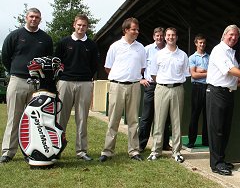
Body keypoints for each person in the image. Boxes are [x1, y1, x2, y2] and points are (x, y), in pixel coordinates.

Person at [206, 25, 240, 176]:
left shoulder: (231, 52)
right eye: (231, 34)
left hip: (228, 93)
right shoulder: (219, 50)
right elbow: (229, 69)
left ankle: (221, 160)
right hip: (216, 92)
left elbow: (229, 75)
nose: (234, 38)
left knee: (224, 129)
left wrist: (238, 82)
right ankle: (216, 164)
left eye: (236, 36)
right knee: (217, 130)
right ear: (224, 35)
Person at [1, 8, 53, 163]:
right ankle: (8, 152)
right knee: (14, 117)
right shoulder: (15, 35)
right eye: (31, 16)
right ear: (26, 17)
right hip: (17, 81)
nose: (34, 19)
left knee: (34, 120)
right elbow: (5, 56)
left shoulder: (46, 39)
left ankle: (30, 151)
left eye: (37, 17)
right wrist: (14, 70)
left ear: (40, 19)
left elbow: (49, 60)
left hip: (37, 85)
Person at [99, 17, 146, 162]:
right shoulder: (115, 46)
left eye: (137, 29)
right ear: (126, 30)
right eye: (133, 29)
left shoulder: (141, 48)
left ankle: (134, 151)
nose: (137, 32)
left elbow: (142, 67)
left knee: (133, 121)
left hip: (134, 86)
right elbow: (108, 67)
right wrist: (120, 76)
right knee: (114, 119)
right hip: (117, 86)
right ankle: (107, 151)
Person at [55, 14, 99, 161]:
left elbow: (94, 65)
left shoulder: (91, 45)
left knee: (82, 118)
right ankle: (56, 149)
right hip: (65, 83)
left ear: (87, 27)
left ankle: (81, 151)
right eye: (79, 25)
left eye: (84, 25)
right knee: (61, 118)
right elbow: (57, 63)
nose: (81, 28)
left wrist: (86, 78)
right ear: (74, 25)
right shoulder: (63, 42)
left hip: (85, 83)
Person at [147, 27, 190, 163]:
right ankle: (156, 151)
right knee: (159, 120)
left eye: (173, 35)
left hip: (177, 89)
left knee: (177, 122)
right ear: (165, 37)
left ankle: (176, 152)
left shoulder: (182, 55)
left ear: (177, 37)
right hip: (161, 88)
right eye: (168, 35)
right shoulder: (158, 55)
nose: (170, 37)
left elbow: (186, 74)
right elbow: (153, 73)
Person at [139, 27, 172, 152]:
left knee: (165, 117)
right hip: (151, 86)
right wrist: (140, 79)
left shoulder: (169, 49)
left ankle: (164, 144)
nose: (159, 38)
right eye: (157, 35)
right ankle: (141, 145)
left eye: (161, 35)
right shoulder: (147, 49)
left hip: (164, 86)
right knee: (147, 116)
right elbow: (139, 65)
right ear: (154, 37)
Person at [187, 34, 209, 148]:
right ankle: (191, 141)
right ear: (196, 43)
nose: (202, 45)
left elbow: (212, 72)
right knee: (195, 114)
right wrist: (206, 72)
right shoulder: (192, 58)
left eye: (204, 43)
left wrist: (202, 71)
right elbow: (194, 75)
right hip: (197, 87)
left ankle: (206, 140)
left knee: (207, 115)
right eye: (200, 42)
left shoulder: (209, 57)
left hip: (207, 87)